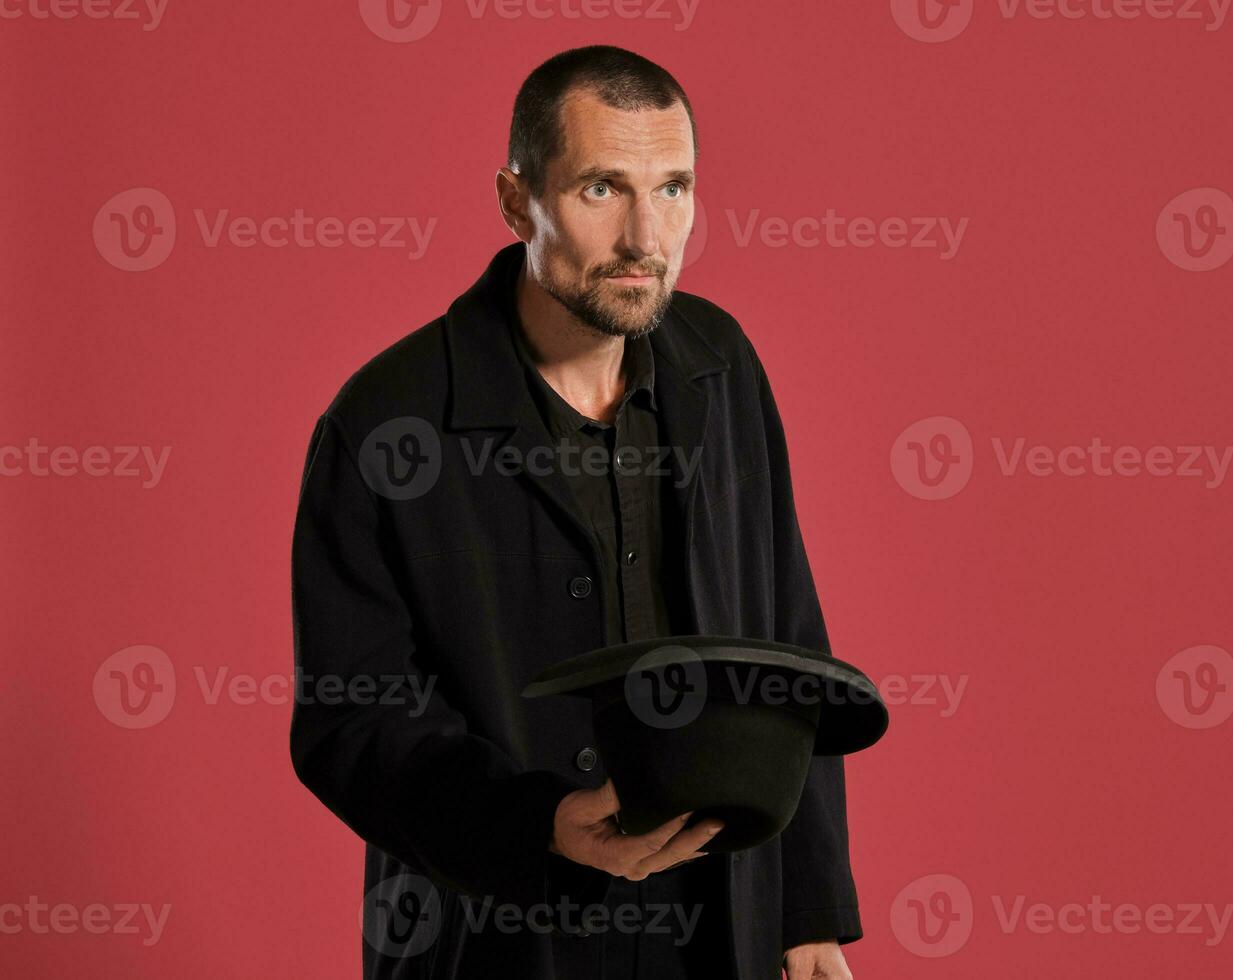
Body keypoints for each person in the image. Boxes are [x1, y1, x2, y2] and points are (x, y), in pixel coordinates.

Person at [290, 45, 863, 979]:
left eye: (673, 188)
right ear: (519, 202)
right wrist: (539, 824)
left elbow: (787, 645)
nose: (648, 235)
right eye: (604, 189)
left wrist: (806, 913)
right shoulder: (386, 423)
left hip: (721, 924)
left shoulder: (721, 366)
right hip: (498, 935)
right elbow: (351, 724)